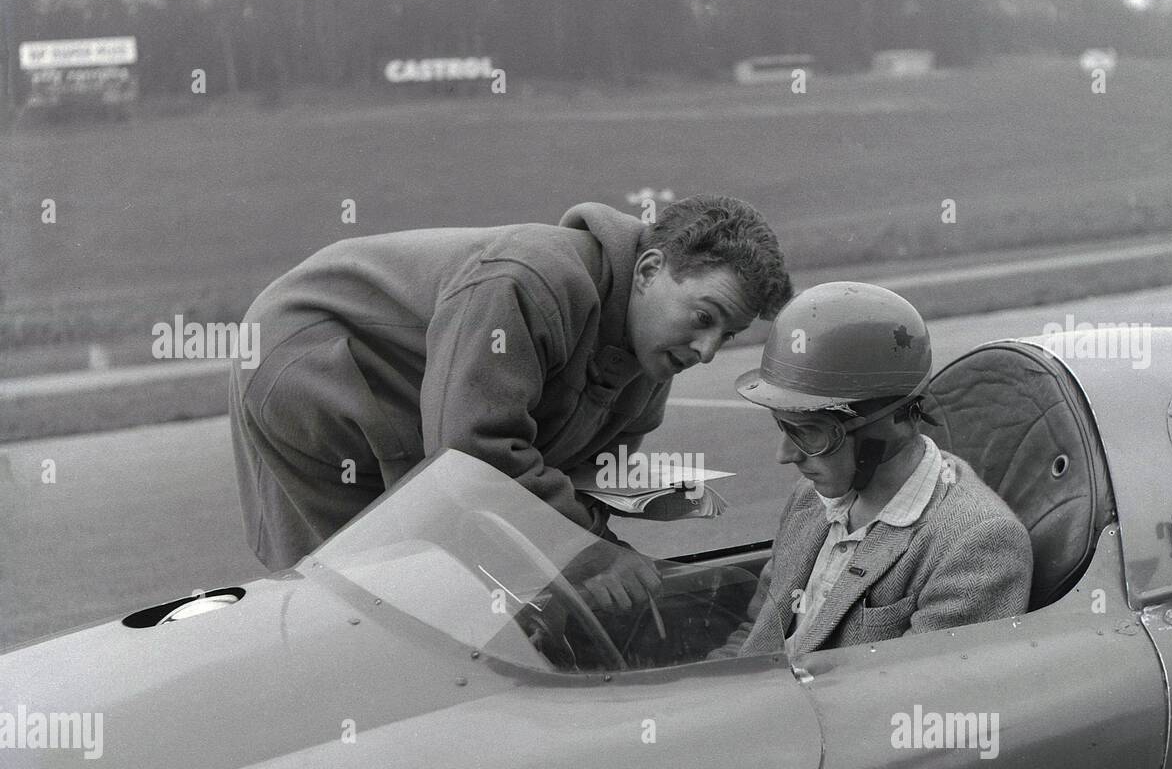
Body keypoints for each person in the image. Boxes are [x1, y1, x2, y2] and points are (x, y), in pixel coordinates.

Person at [229, 195, 793, 608]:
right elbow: (469, 456)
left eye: (728, 334)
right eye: (704, 318)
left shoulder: (654, 347)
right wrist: (591, 554)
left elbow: (585, 477)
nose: (708, 349)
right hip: (312, 356)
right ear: (649, 271)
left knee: (469, 575)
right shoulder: (526, 280)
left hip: (412, 387)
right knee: (377, 589)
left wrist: (600, 542)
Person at [711, 282, 1032, 657]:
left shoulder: (977, 544)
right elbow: (757, 631)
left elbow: (911, 698)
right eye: (782, 426)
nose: (785, 456)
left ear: (896, 421)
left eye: (810, 433)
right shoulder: (809, 499)